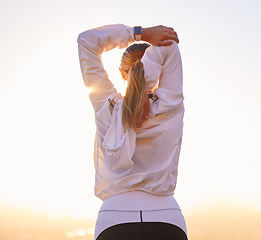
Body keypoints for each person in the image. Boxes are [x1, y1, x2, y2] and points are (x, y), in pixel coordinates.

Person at [77, 24, 187, 240]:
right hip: (167, 219)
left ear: (121, 73)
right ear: (159, 71)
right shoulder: (169, 102)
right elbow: (170, 45)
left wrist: (140, 33)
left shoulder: (106, 106)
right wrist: (146, 79)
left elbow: (86, 42)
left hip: (115, 221)